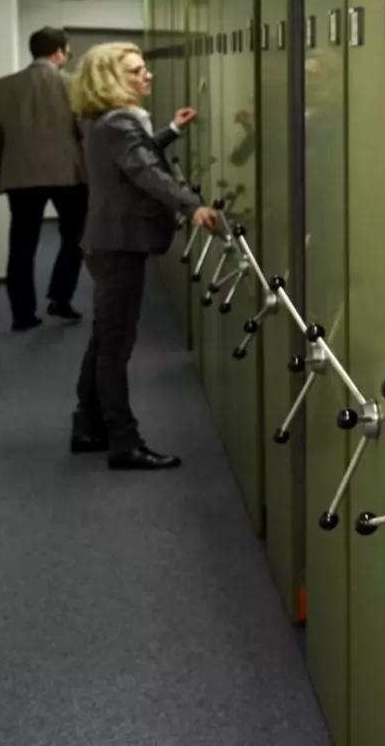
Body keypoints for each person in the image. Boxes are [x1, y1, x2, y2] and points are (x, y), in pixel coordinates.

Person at [70, 42, 219, 470]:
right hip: (118, 245)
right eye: (137, 71)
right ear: (111, 79)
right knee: (115, 348)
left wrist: (170, 130)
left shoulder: (107, 120)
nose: (147, 76)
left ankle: (87, 425)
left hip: (106, 241)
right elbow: (145, 172)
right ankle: (123, 442)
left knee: (104, 338)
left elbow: (134, 158)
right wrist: (192, 206)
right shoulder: (119, 121)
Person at [0, 26, 88, 330]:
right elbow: (84, 133)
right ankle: (60, 298)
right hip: (67, 174)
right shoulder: (72, 84)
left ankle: (22, 315)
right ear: (59, 51)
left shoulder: (3, 86)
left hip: (20, 174)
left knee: (21, 245)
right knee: (74, 238)